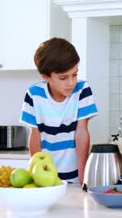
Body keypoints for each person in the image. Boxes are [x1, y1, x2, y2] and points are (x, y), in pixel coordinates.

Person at [19, 37, 98, 184]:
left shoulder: (82, 90)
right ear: (45, 76)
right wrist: (36, 176)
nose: (71, 83)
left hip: (75, 177)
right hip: (46, 178)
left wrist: (83, 179)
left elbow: (81, 132)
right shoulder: (34, 94)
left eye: (75, 74)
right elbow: (35, 135)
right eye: (63, 78)